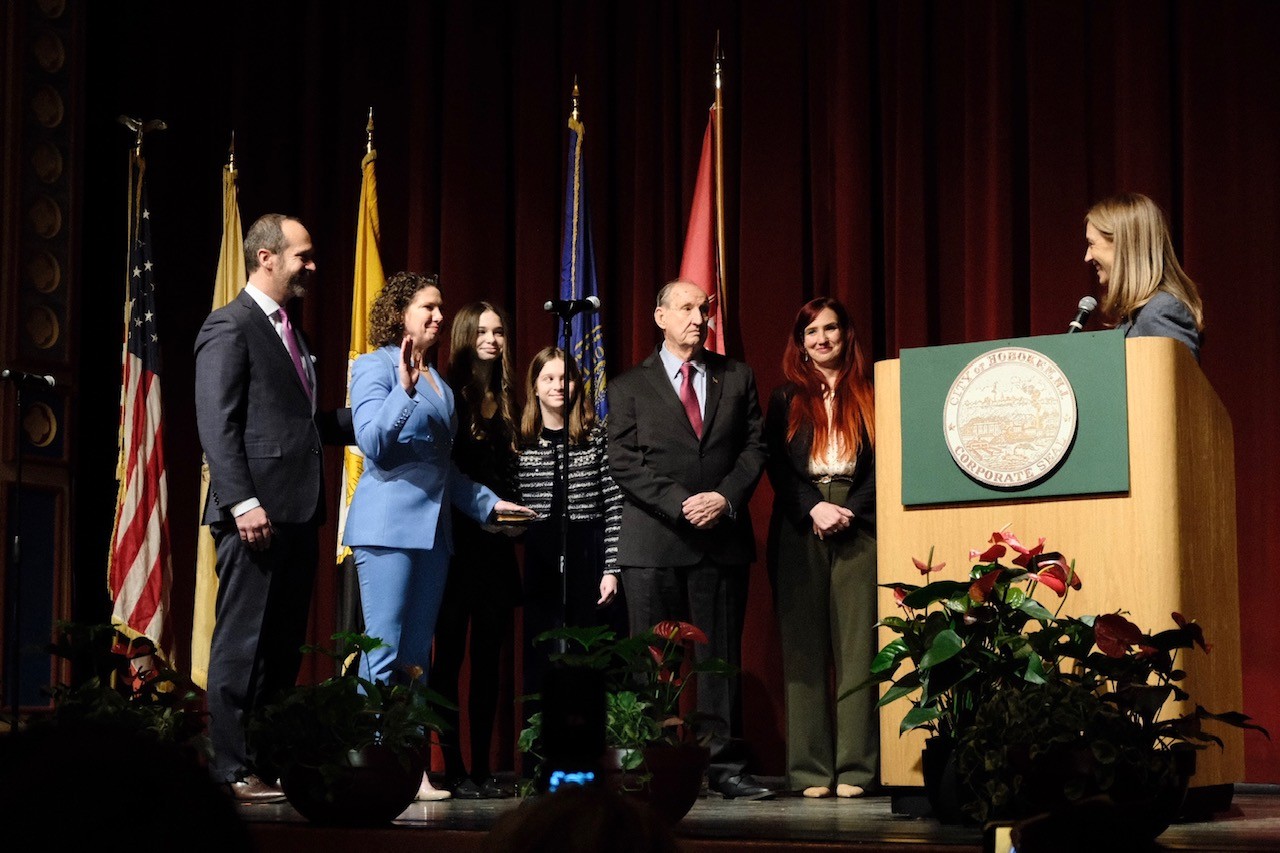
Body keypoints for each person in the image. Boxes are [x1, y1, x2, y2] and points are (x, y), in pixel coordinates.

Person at [339, 273, 533, 801]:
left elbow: (446, 472)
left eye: (441, 309)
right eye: (428, 308)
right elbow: (372, 443)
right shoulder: (374, 366)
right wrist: (401, 391)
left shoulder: (442, 387)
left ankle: (411, 769)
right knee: (381, 653)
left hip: (434, 536)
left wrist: (491, 504)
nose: (438, 318)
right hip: (387, 530)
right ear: (400, 312)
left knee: (414, 660)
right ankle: (371, 762)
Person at [194, 213, 352, 801]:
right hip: (254, 516)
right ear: (266, 257)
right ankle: (230, 768)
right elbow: (217, 423)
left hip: (297, 512)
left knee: (281, 647)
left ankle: (263, 760)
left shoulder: (292, 331)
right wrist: (242, 501)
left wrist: (385, 410)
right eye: (302, 256)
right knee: (243, 642)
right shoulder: (229, 326)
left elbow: (300, 425)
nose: (311, 266)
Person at [606, 279, 771, 800]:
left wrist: (723, 498)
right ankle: (653, 764)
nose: (698, 317)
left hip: (720, 540)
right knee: (653, 663)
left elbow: (755, 448)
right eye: (685, 308)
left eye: (703, 309)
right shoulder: (628, 386)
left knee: (717, 660)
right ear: (660, 317)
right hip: (654, 543)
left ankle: (724, 768)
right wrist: (681, 502)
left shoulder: (737, 377)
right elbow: (623, 461)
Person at [764, 297, 878, 800]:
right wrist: (813, 506)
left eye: (830, 329)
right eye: (811, 331)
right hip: (800, 523)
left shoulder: (875, 392)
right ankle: (810, 769)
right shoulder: (785, 397)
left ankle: (856, 767)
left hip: (859, 519)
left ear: (846, 334)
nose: (822, 339)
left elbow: (888, 462)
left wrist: (850, 508)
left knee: (859, 648)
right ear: (800, 342)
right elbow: (776, 466)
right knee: (804, 649)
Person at [430, 300, 522, 800]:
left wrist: (517, 518)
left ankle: (484, 769)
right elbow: (444, 475)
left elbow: (514, 475)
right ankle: (454, 765)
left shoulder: (508, 399)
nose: (491, 339)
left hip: (497, 550)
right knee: (448, 661)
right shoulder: (447, 395)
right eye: (483, 331)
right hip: (454, 546)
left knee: (489, 662)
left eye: (499, 331)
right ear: (464, 335)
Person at [517, 347, 626, 708]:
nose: (557, 386)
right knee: (542, 651)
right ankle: (538, 755)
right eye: (548, 378)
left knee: (589, 653)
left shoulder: (595, 435)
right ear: (534, 387)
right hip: (539, 557)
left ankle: (591, 749)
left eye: (565, 378)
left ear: (578, 384)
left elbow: (614, 504)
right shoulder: (521, 441)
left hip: (588, 552)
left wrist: (611, 568)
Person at [1084, 192, 1205, 360]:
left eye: (1091, 244)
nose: (1087, 257)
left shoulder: (1160, 309)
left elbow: (1180, 382)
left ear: (1122, 245)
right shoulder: (1135, 315)